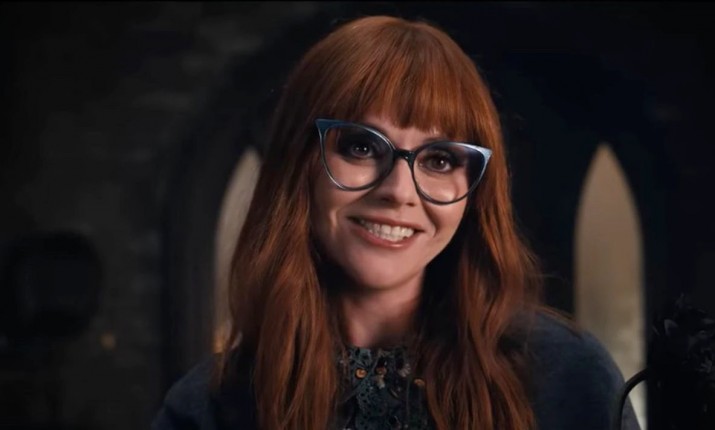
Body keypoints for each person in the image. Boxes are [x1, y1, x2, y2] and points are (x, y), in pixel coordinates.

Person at [152, 15, 640, 430]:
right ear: (299, 163)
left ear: (476, 192)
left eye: (440, 160)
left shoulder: (567, 376)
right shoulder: (208, 408)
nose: (399, 191)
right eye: (361, 147)